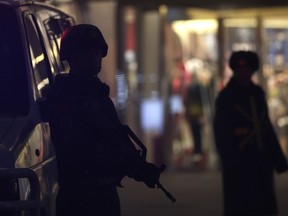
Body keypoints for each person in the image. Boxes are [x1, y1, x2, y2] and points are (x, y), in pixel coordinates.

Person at [46, 24, 162, 216]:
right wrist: (126, 164)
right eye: (86, 52)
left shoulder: (98, 95)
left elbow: (115, 136)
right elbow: (81, 149)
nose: (93, 57)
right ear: (72, 58)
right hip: (79, 197)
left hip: (105, 195)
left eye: (96, 51)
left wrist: (139, 168)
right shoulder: (64, 97)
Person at [213, 50, 288, 216]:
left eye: (247, 69)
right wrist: (228, 158)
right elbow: (220, 132)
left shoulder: (257, 94)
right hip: (238, 163)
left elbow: (266, 129)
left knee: (263, 206)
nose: (244, 72)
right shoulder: (226, 98)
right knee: (240, 207)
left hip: (260, 162)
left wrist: (278, 159)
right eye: (240, 69)